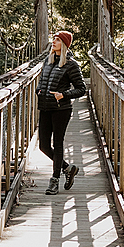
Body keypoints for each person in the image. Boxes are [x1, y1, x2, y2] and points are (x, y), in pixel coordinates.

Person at [37, 29, 86, 195]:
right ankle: (68, 168)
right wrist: (39, 90)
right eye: (54, 39)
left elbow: (81, 89)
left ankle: (54, 180)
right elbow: (42, 81)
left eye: (57, 40)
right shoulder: (48, 61)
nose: (54, 42)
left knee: (57, 143)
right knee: (43, 145)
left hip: (61, 109)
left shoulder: (71, 64)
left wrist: (63, 94)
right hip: (44, 107)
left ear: (64, 44)